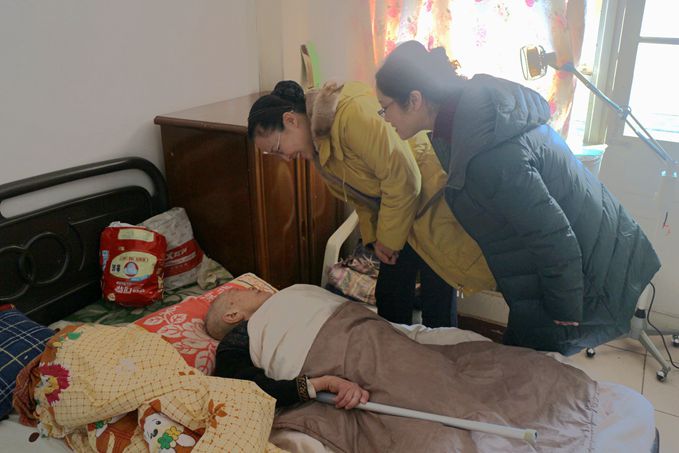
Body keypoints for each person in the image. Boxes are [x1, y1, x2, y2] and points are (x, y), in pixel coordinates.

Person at [374, 40, 661, 355]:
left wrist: (564, 308)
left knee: (524, 368)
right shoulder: (472, 117)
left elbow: (552, 234)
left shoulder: (485, 151)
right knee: (521, 365)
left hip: (590, 276)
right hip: (591, 256)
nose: (384, 117)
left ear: (414, 100)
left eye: (385, 107)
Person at [204, 284, 617, 453]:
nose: (258, 287)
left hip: (365, 331)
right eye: (247, 290)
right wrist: (315, 385)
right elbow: (243, 386)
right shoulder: (240, 337)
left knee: (449, 375)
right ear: (232, 313)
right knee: (420, 415)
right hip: (332, 351)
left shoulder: (293, 292)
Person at [247, 80, 495, 328]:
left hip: (430, 204)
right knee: (390, 298)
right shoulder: (319, 148)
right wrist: (376, 240)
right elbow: (362, 198)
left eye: (278, 148)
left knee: (437, 302)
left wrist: (388, 240)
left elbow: (405, 179)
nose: (285, 158)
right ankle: (396, 349)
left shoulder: (350, 115)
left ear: (291, 120)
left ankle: (442, 350)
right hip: (399, 214)